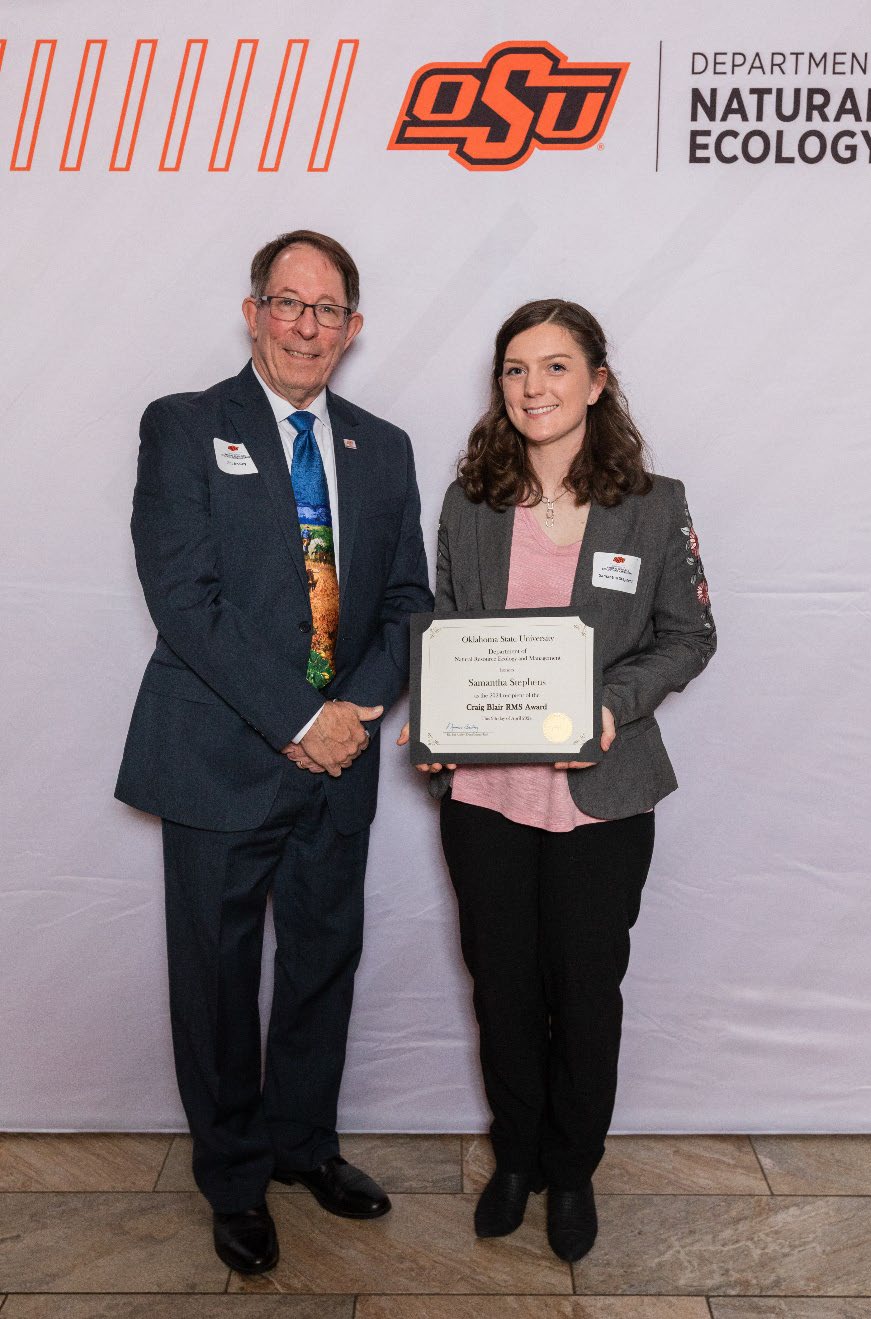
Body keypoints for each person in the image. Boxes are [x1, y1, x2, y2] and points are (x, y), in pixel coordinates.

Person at [116, 230, 432, 1274]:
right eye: (287, 303)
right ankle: (236, 1175)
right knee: (215, 980)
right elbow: (186, 603)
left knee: (319, 962)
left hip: (339, 767)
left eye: (326, 308)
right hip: (219, 758)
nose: (306, 325)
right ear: (253, 311)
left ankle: (304, 1146)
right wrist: (302, 719)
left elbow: (405, 601)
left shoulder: (380, 447)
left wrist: (358, 710)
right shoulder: (184, 425)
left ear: (353, 327)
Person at [399, 298, 716, 1262]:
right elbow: (446, 625)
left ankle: (573, 1168)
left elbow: (690, 635)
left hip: (603, 795)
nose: (533, 387)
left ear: (597, 381)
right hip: (486, 797)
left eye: (555, 367)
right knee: (498, 984)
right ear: (500, 387)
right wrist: (437, 709)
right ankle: (517, 1156)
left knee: (585, 986)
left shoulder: (655, 503)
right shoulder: (469, 500)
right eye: (515, 369)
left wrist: (612, 704)